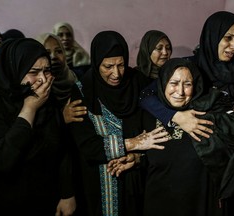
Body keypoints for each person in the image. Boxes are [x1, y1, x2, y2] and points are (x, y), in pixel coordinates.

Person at [108, 58, 234, 216]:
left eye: (187, 84)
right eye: (173, 83)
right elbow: (161, 157)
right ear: (163, 83)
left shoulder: (208, 113)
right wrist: (136, 159)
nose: (180, 91)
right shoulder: (148, 116)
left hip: (201, 204)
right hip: (159, 204)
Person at [67, 30, 168, 216]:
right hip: (99, 185)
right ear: (97, 62)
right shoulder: (82, 92)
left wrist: (138, 157)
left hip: (139, 179)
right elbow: (87, 146)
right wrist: (131, 143)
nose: (116, 73)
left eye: (121, 65)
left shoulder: (140, 83)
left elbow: (156, 133)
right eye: (108, 66)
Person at [0, 38, 76, 216]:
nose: (43, 79)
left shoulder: (44, 98)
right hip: (5, 201)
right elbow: (2, 160)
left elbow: (62, 148)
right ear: (15, 70)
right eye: (34, 72)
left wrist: (68, 194)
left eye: (46, 71)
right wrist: (29, 109)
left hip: (47, 199)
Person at [139, 11, 234, 142]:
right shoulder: (188, 66)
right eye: (228, 38)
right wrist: (176, 116)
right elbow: (145, 95)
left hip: (224, 142)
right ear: (212, 36)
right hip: (191, 143)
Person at [36, 33, 87, 123]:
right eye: (47, 53)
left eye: (59, 51)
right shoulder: (37, 90)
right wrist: (61, 118)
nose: (54, 57)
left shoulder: (78, 78)